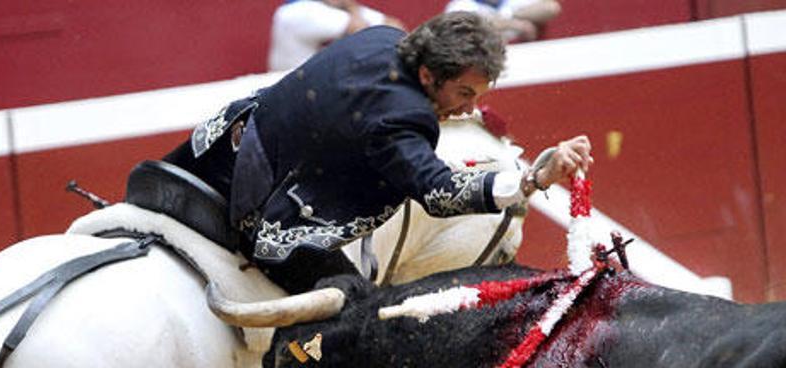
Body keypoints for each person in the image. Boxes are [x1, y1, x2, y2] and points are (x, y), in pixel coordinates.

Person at [163, 11, 592, 295]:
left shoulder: (383, 38)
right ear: (427, 73)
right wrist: (533, 178)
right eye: (463, 93)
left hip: (214, 152)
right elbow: (440, 194)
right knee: (352, 318)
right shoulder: (403, 118)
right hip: (262, 210)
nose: (467, 107)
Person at [268, 0, 405, 71]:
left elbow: (396, 29)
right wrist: (351, 6)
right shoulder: (297, 11)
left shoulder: (336, 9)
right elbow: (363, 33)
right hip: (285, 96)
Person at [444, 0, 561, 42]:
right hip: (484, 61)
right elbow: (464, 24)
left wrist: (510, 15)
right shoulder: (461, 4)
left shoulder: (514, 2)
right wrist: (515, 24)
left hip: (526, 56)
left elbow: (551, 8)